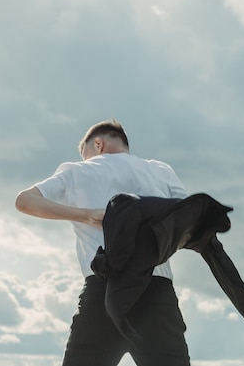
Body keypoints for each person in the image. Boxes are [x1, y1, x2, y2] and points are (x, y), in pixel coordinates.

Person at [15, 119, 191, 366]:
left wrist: (86, 214)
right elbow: (191, 222)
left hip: (104, 293)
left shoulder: (76, 170)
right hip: (157, 296)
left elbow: (24, 200)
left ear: (97, 144)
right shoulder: (161, 171)